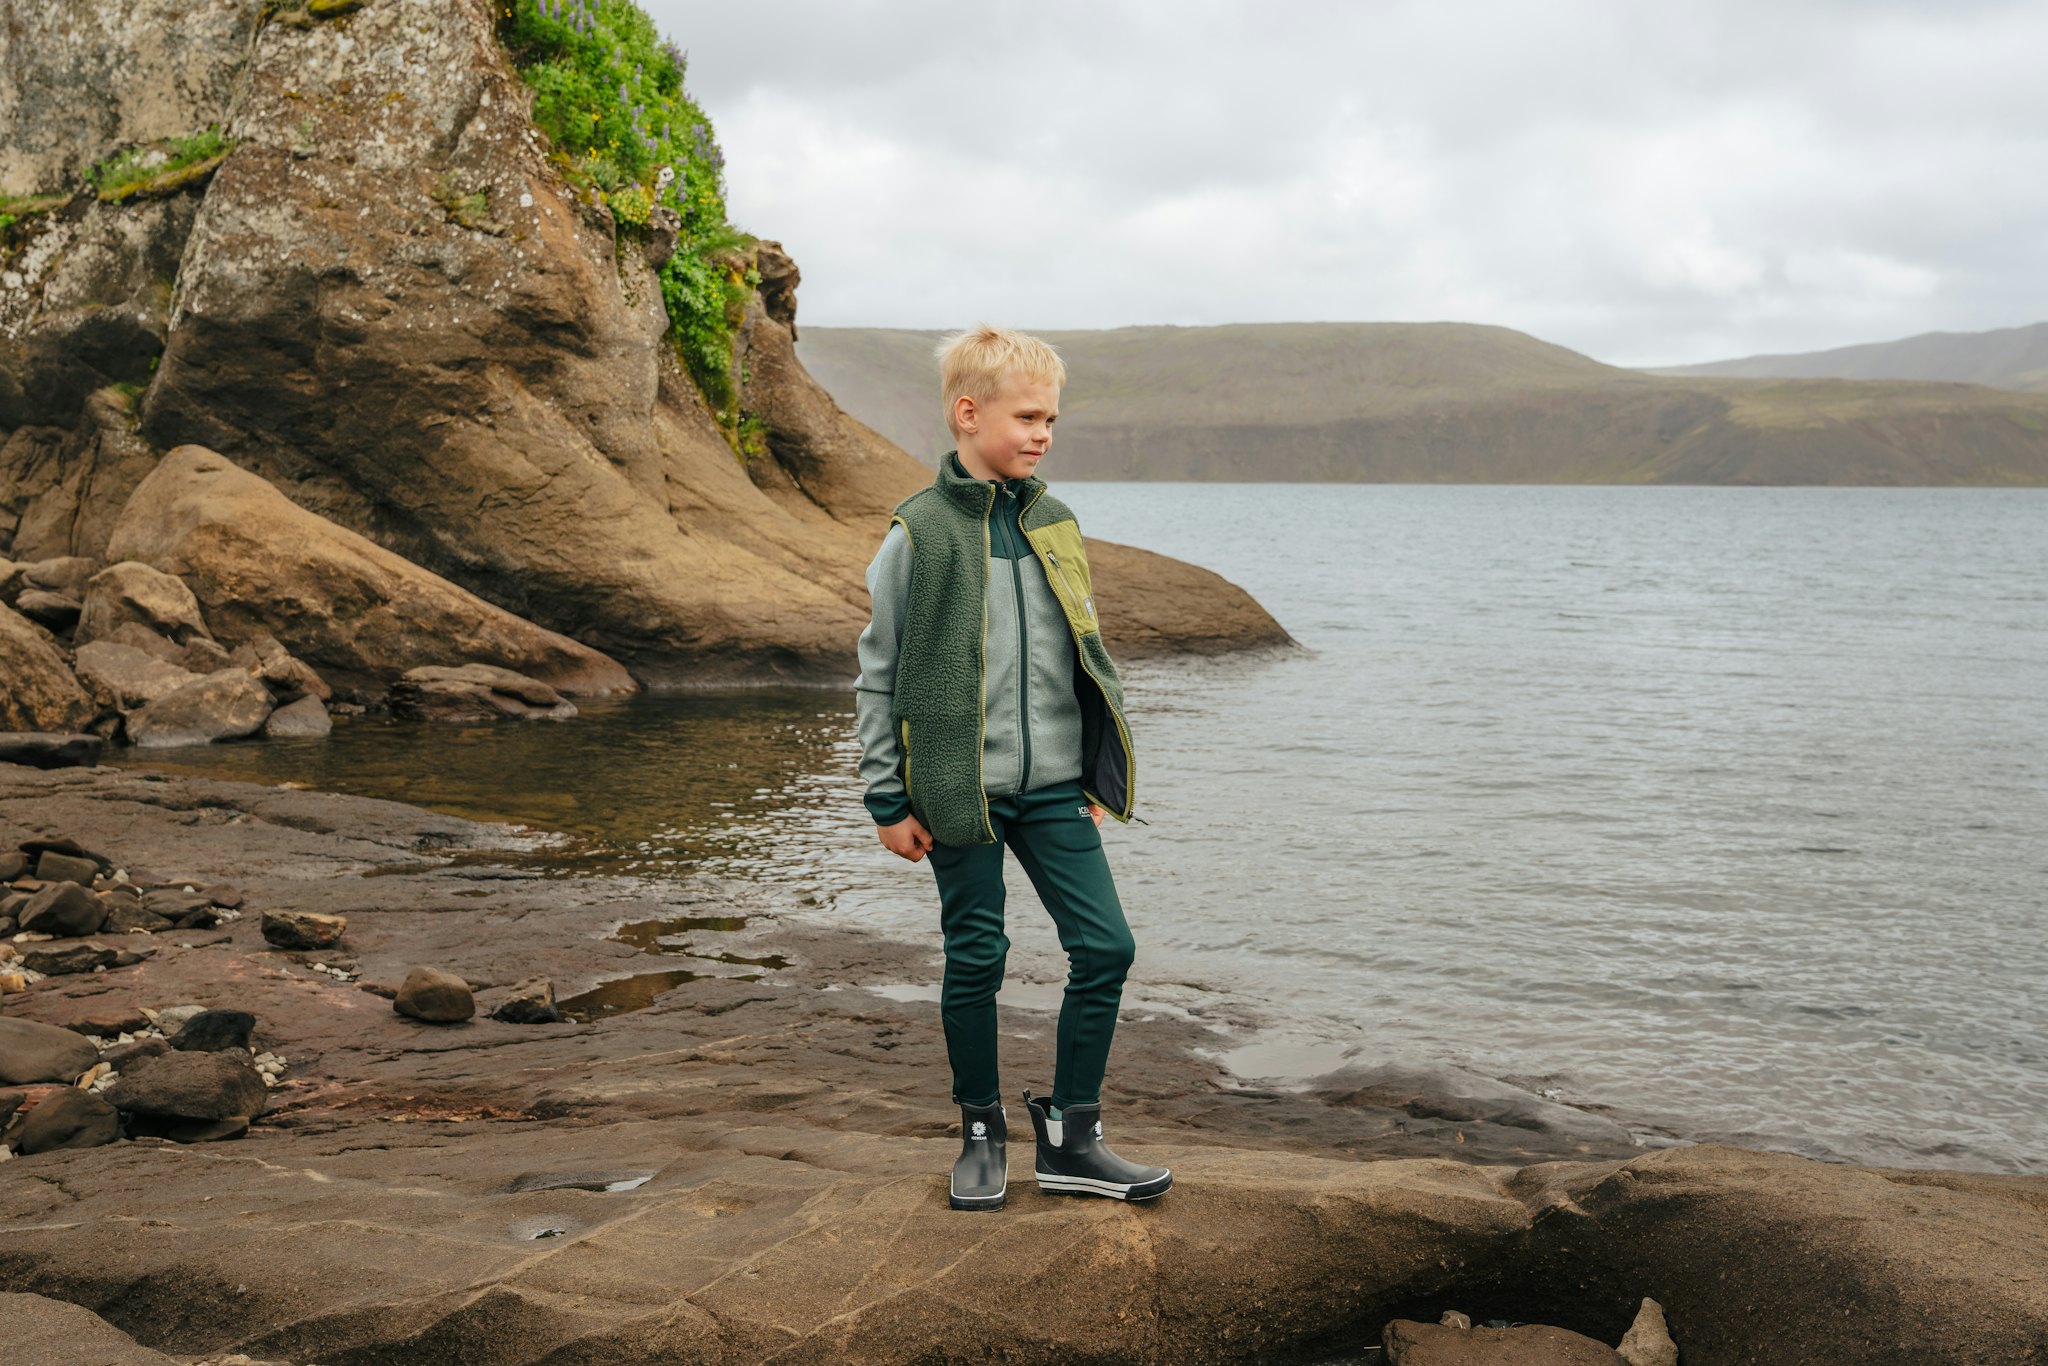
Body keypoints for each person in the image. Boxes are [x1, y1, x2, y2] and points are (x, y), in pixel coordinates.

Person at [853, 324, 1172, 1211]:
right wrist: (886, 797)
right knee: (976, 958)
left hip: (1057, 790)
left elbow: (1083, 654)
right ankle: (982, 1132)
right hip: (958, 792)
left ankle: (1072, 1137)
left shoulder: (1056, 524)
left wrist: (1094, 773)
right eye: (1027, 416)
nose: (1042, 434)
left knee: (1107, 945)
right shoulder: (918, 532)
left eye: (1052, 420)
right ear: (969, 413)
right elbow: (877, 674)